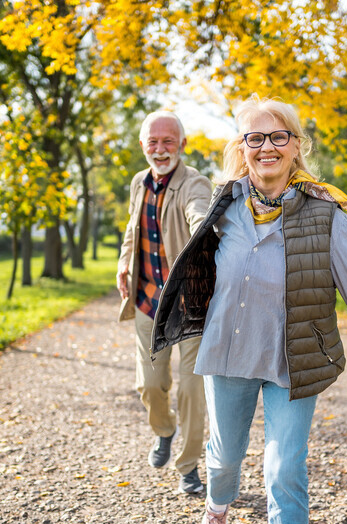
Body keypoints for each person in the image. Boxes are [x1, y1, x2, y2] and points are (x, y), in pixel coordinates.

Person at [152, 97, 347, 524]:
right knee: (224, 460)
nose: (267, 147)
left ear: (296, 145)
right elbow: (195, 260)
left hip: (294, 359)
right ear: (242, 148)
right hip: (229, 352)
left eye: (278, 136)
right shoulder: (225, 206)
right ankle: (217, 505)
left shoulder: (327, 215)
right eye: (255, 138)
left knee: (285, 470)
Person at [116, 111, 213, 494]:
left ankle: (188, 466)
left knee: (191, 391)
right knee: (150, 385)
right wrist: (124, 263)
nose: (160, 149)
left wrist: (203, 229)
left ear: (182, 144)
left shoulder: (195, 182)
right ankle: (164, 430)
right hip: (147, 301)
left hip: (188, 306)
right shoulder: (138, 182)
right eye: (153, 142)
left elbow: (197, 212)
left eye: (168, 141)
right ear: (143, 145)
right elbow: (132, 228)